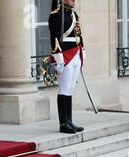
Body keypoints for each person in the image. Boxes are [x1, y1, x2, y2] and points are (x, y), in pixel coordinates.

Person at [49, 0, 85, 134]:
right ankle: (63, 123)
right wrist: (58, 57)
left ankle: (69, 121)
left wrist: (83, 52)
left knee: (70, 89)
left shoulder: (74, 15)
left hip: (76, 53)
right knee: (63, 89)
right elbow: (55, 38)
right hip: (65, 55)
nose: (73, 1)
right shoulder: (56, 15)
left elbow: (79, 35)